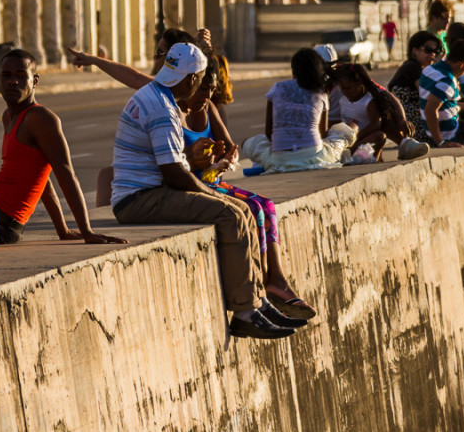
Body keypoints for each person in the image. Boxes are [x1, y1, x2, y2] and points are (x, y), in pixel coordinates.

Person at [110, 42, 300, 340]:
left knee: (245, 210)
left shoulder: (159, 97)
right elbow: (174, 173)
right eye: (198, 81)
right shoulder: (161, 108)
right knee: (231, 215)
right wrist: (212, 194)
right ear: (190, 80)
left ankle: (258, 301)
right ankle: (244, 312)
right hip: (139, 200)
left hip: (150, 192)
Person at [181, 62, 315, 319]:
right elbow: (171, 161)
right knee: (252, 210)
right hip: (194, 185)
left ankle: (275, 278)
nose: (207, 96)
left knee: (267, 205)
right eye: (203, 90)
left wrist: (226, 158)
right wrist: (193, 156)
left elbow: (231, 146)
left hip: (213, 180)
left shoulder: (207, 108)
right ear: (190, 84)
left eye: (211, 90)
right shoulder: (174, 112)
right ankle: (261, 288)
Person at [0, 49, 125, 246]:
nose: (12, 81)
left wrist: (87, 232)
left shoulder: (41, 119)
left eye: (20, 76)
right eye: (6, 76)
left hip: (1, 221)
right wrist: (63, 231)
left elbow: (66, 174)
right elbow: (43, 181)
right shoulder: (8, 116)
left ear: (34, 81)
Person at [331, 61, 421, 160]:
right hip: (345, 140)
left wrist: (401, 119)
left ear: (360, 83)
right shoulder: (342, 99)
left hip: (359, 139)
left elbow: (377, 123)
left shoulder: (368, 100)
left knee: (380, 135)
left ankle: (403, 144)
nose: (345, 92)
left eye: (348, 88)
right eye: (342, 89)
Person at [265, 48, 333, 154]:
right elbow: (323, 134)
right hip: (312, 154)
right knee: (342, 132)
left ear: (293, 69)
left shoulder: (278, 87)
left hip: (280, 157)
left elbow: (269, 133)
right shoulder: (321, 93)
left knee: (252, 142)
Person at [388, 31, 443, 141]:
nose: (432, 55)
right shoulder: (412, 67)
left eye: (435, 52)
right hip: (415, 130)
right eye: (428, 50)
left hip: (413, 128)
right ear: (414, 51)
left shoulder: (420, 69)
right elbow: (428, 96)